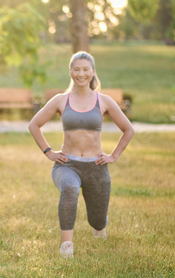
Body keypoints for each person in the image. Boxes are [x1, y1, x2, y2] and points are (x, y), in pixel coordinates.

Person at [28, 51, 134, 259]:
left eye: (86, 69)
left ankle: (99, 228)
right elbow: (34, 125)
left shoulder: (103, 101)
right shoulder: (61, 100)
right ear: (70, 71)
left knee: (98, 219)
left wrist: (113, 156)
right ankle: (66, 246)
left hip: (96, 166)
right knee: (69, 188)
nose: (81, 74)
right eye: (76, 69)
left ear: (93, 72)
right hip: (67, 164)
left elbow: (128, 129)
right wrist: (48, 152)